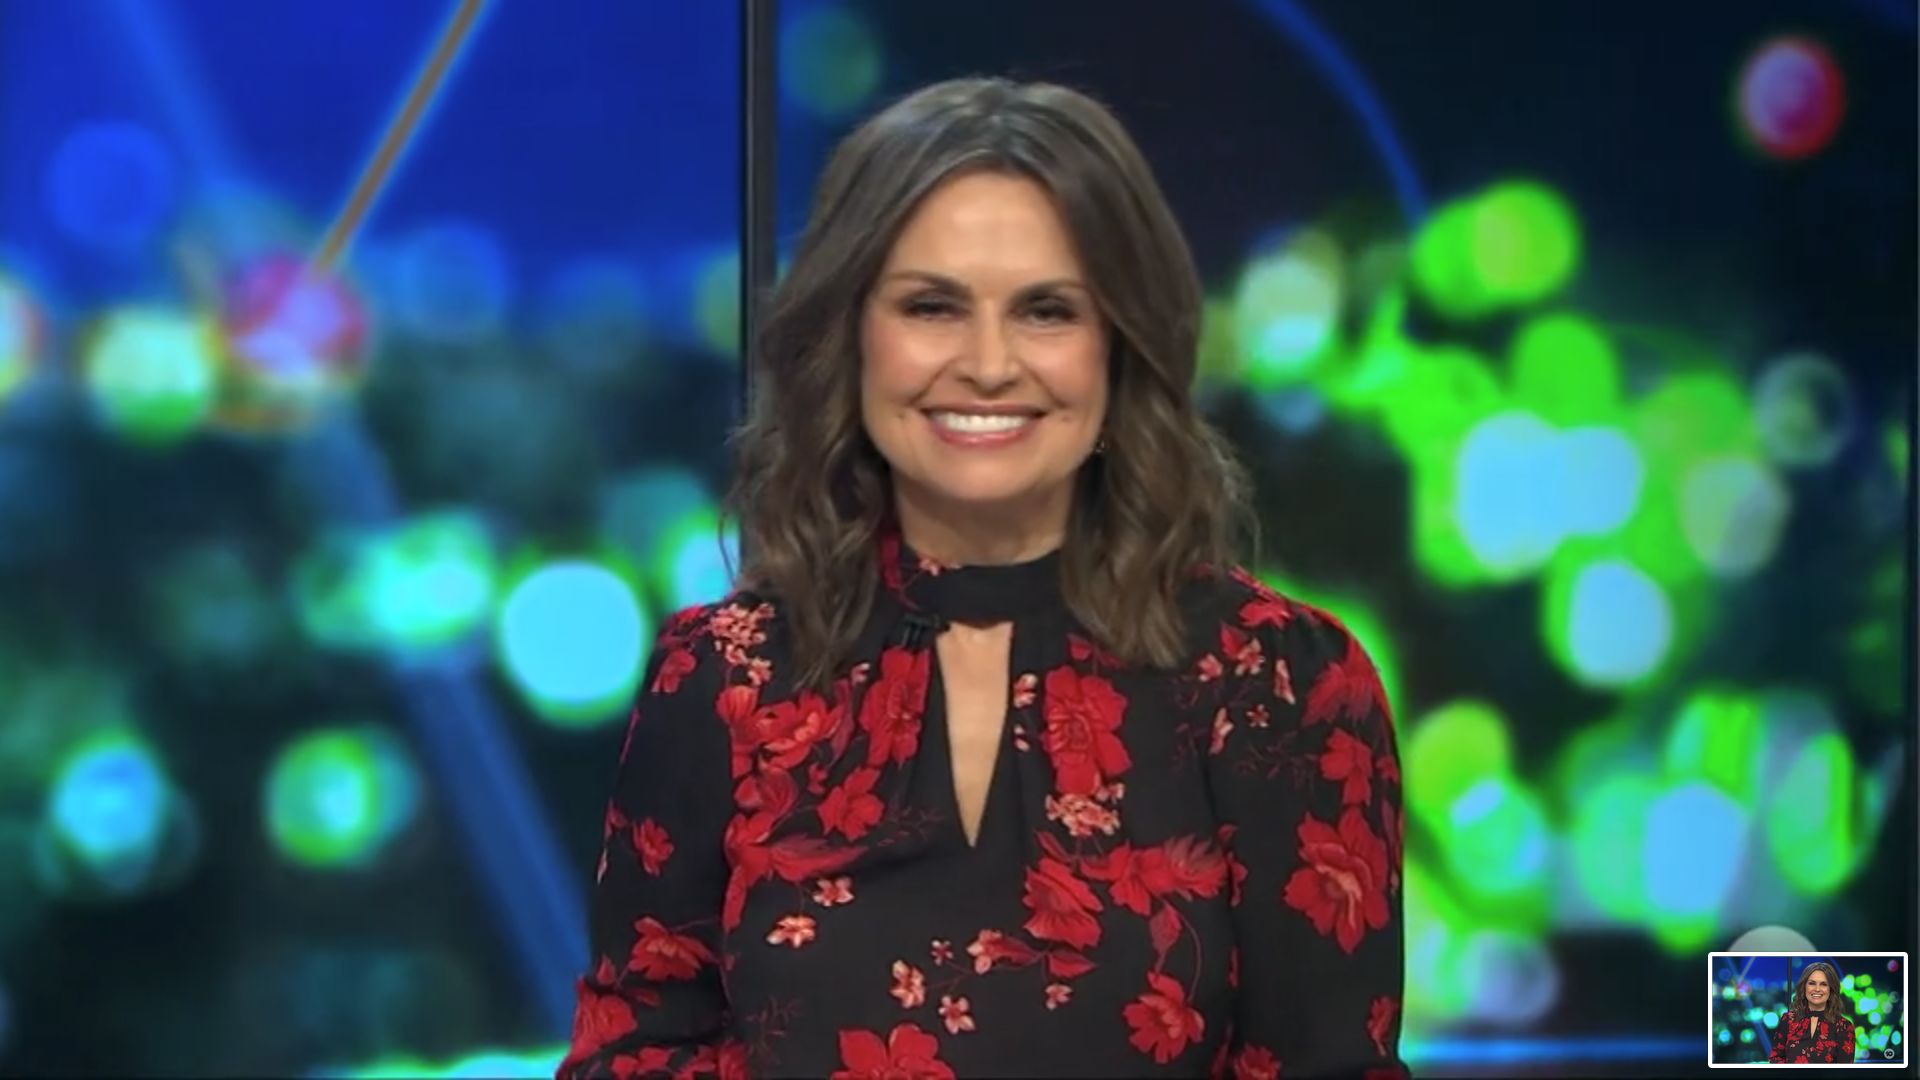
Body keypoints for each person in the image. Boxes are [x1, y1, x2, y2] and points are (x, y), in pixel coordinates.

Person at [558, 76, 1406, 1079]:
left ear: (1119, 346)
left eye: (1047, 311)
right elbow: (635, 1056)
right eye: (932, 307)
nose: (990, 364)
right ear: (851, 335)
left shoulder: (1276, 683)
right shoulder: (721, 678)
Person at [1768, 961, 1856, 1064]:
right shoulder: (1788, 1020)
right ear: (1804, 987)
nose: (1817, 989)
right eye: (1812, 983)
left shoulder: (1844, 1026)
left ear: (1831, 989)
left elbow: (1844, 1070)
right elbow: (1775, 1059)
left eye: (1823, 984)